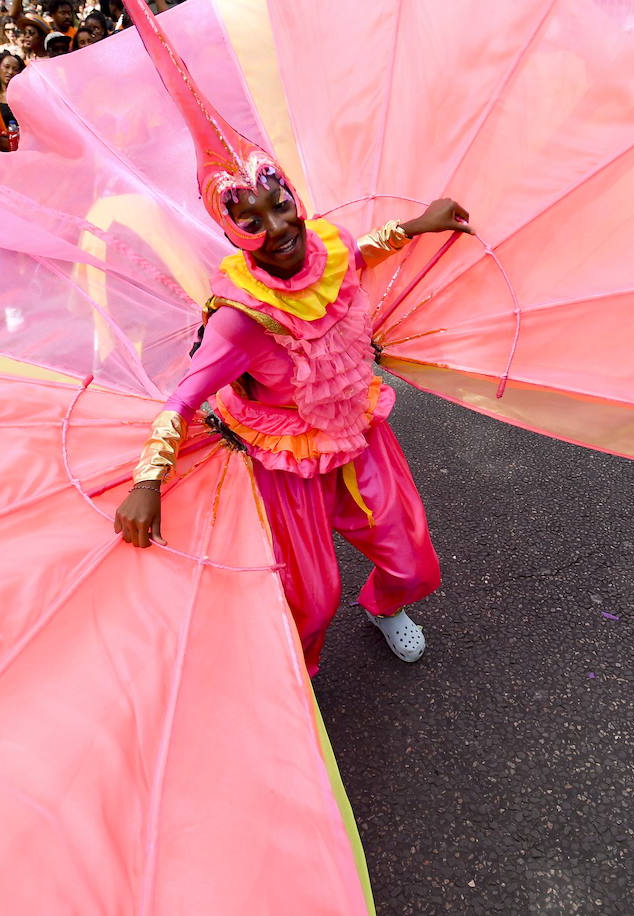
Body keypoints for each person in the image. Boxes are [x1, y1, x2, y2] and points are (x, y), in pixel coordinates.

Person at [112, 3, 470, 675]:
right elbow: (183, 400)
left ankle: (385, 606)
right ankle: (290, 687)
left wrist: (416, 227)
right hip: (286, 464)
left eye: (280, 203)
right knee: (310, 599)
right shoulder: (240, 318)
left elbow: (351, 259)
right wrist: (147, 481)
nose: (277, 227)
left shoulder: (322, 244)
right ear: (228, 231)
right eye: (251, 220)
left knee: (413, 558)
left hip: (358, 433)